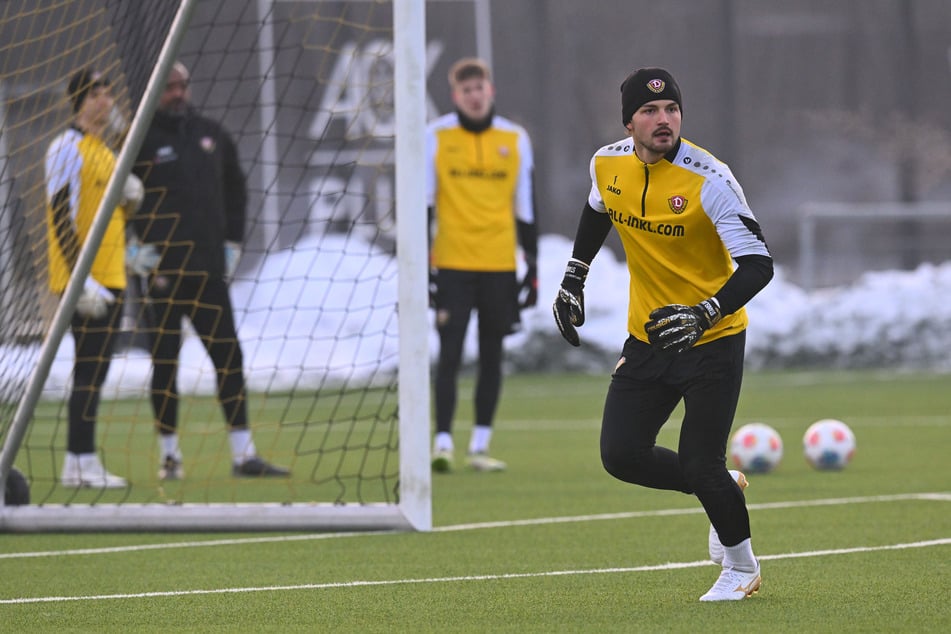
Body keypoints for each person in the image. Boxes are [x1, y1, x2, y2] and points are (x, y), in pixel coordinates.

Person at [552, 67, 774, 601]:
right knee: (621, 454)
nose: (663, 120)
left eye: (671, 109)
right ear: (629, 121)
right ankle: (723, 486)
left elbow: (758, 265)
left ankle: (742, 569)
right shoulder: (607, 164)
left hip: (712, 339)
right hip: (648, 339)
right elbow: (598, 207)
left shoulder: (711, 179)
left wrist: (706, 312)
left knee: (701, 460)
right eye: (650, 111)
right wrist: (574, 275)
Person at [129, 61, 288, 480]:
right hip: (160, 274)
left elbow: (237, 190)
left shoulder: (212, 135)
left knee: (229, 357)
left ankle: (244, 455)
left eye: (182, 85)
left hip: (208, 272)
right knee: (165, 363)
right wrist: (130, 247)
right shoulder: (138, 141)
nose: (178, 93)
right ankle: (169, 457)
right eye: (169, 87)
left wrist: (233, 242)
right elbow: (117, 203)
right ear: (154, 91)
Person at [425, 57, 538, 473]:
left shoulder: (514, 137)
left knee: (492, 354)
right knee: (450, 353)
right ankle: (442, 444)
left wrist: (533, 263)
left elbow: (525, 205)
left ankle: (479, 446)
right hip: (452, 263)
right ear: (456, 96)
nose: (474, 96)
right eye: (466, 90)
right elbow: (423, 204)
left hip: (498, 265)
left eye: (480, 88)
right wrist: (425, 268)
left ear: (490, 90)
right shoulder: (435, 136)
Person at [45, 68, 144, 488]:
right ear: (81, 102)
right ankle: (78, 462)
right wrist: (78, 280)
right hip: (84, 281)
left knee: (98, 369)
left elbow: (118, 215)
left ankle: (81, 460)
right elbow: (60, 215)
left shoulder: (105, 150)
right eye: (98, 95)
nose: (106, 101)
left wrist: (132, 200)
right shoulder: (66, 147)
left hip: (113, 275)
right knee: (88, 369)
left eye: (107, 93)